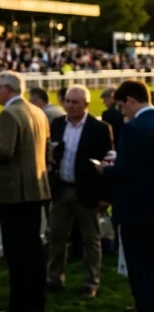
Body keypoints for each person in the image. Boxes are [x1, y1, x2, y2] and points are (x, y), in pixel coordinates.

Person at [0, 71, 50, 312]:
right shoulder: (38, 111)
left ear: (8, 89)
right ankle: (35, 301)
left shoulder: (8, 114)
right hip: (35, 189)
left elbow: (4, 152)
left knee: (17, 252)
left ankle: (20, 304)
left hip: (13, 192)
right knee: (33, 249)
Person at [46, 85, 113, 298]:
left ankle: (90, 282)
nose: (70, 106)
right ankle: (54, 277)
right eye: (67, 101)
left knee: (90, 239)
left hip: (87, 191)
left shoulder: (100, 128)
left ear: (86, 104)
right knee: (56, 236)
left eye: (75, 102)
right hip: (61, 188)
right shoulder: (57, 124)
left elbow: (107, 162)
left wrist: (105, 196)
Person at [98, 80, 154, 312]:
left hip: (136, 210)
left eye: (121, 107)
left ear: (130, 100)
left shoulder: (133, 128)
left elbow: (125, 170)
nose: (122, 113)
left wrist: (105, 169)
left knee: (140, 267)